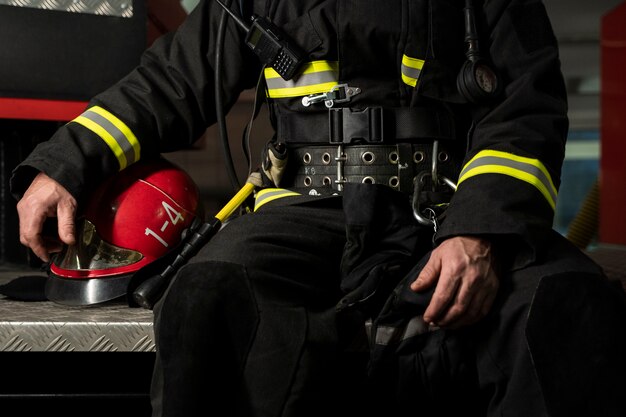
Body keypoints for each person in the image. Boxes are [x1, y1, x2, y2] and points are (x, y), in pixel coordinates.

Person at [11, 0, 626, 416]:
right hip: (305, 212)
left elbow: (527, 109)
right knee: (206, 298)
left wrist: (480, 235)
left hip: (450, 209)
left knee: (564, 303)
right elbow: (171, 83)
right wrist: (66, 163)